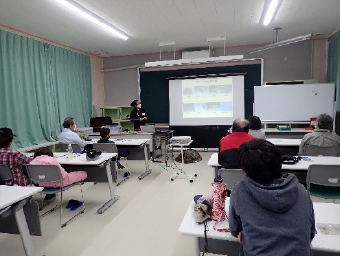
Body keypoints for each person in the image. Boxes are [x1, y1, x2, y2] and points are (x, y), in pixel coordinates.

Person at [229, 139, 316, 256]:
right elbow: (310, 232)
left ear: (245, 170)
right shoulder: (300, 189)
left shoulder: (239, 191)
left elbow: (234, 230)